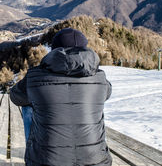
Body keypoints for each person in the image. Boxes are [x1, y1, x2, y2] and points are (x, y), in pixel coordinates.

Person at [10, 28, 112, 166]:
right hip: (97, 162)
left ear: (54, 50)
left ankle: (34, 153)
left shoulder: (35, 77)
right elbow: (108, 93)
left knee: (28, 104)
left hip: (46, 162)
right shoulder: (99, 78)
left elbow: (16, 97)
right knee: (93, 100)